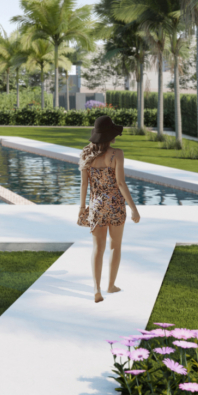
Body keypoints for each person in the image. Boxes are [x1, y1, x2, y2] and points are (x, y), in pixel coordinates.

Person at [78, 115, 140, 303]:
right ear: (109, 136)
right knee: (115, 246)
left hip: (96, 206)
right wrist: (134, 209)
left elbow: (83, 184)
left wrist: (82, 208)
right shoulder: (117, 154)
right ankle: (111, 285)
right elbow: (121, 183)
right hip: (115, 206)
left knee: (98, 248)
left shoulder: (85, 154)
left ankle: (97, 289)